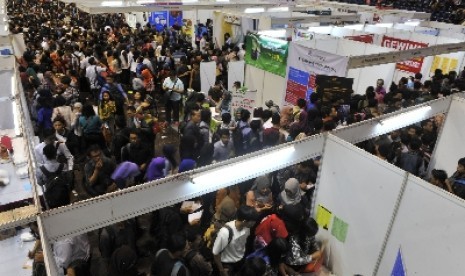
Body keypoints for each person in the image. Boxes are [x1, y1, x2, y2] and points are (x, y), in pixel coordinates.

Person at [212, 205, 259, 276]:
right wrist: (221, 270)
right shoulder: (225, 232)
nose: (254, 223)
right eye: (253, 222)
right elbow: (216, 253)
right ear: (244, 221)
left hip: (240, 259)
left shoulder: (247, 227)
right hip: (228, 264)